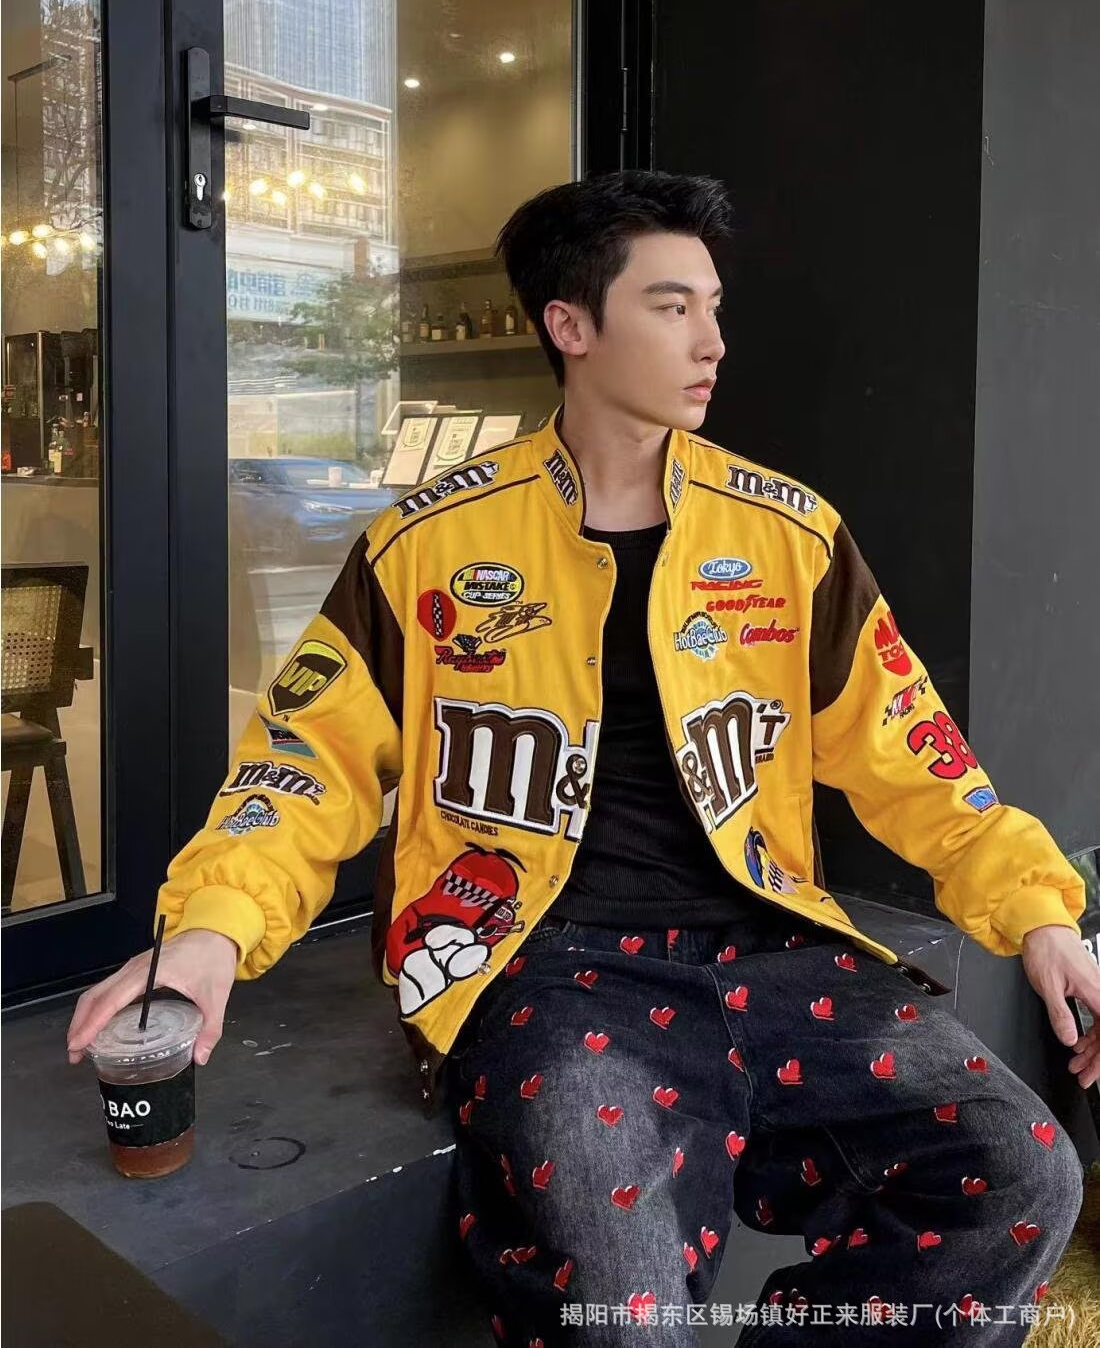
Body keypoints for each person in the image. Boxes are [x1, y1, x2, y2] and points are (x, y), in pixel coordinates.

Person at [67, 172, 1100, 1345]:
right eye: (670, 306)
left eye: (711, 305)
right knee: (626, 1304)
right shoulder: (429, 544)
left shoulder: (786, 535)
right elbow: (307, 760)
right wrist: (210, 932)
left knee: (1019, 1172)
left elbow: (913, 751)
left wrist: (1038, 914)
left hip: (771, 948)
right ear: (569, 324)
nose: (711, 340)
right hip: (547, 966)